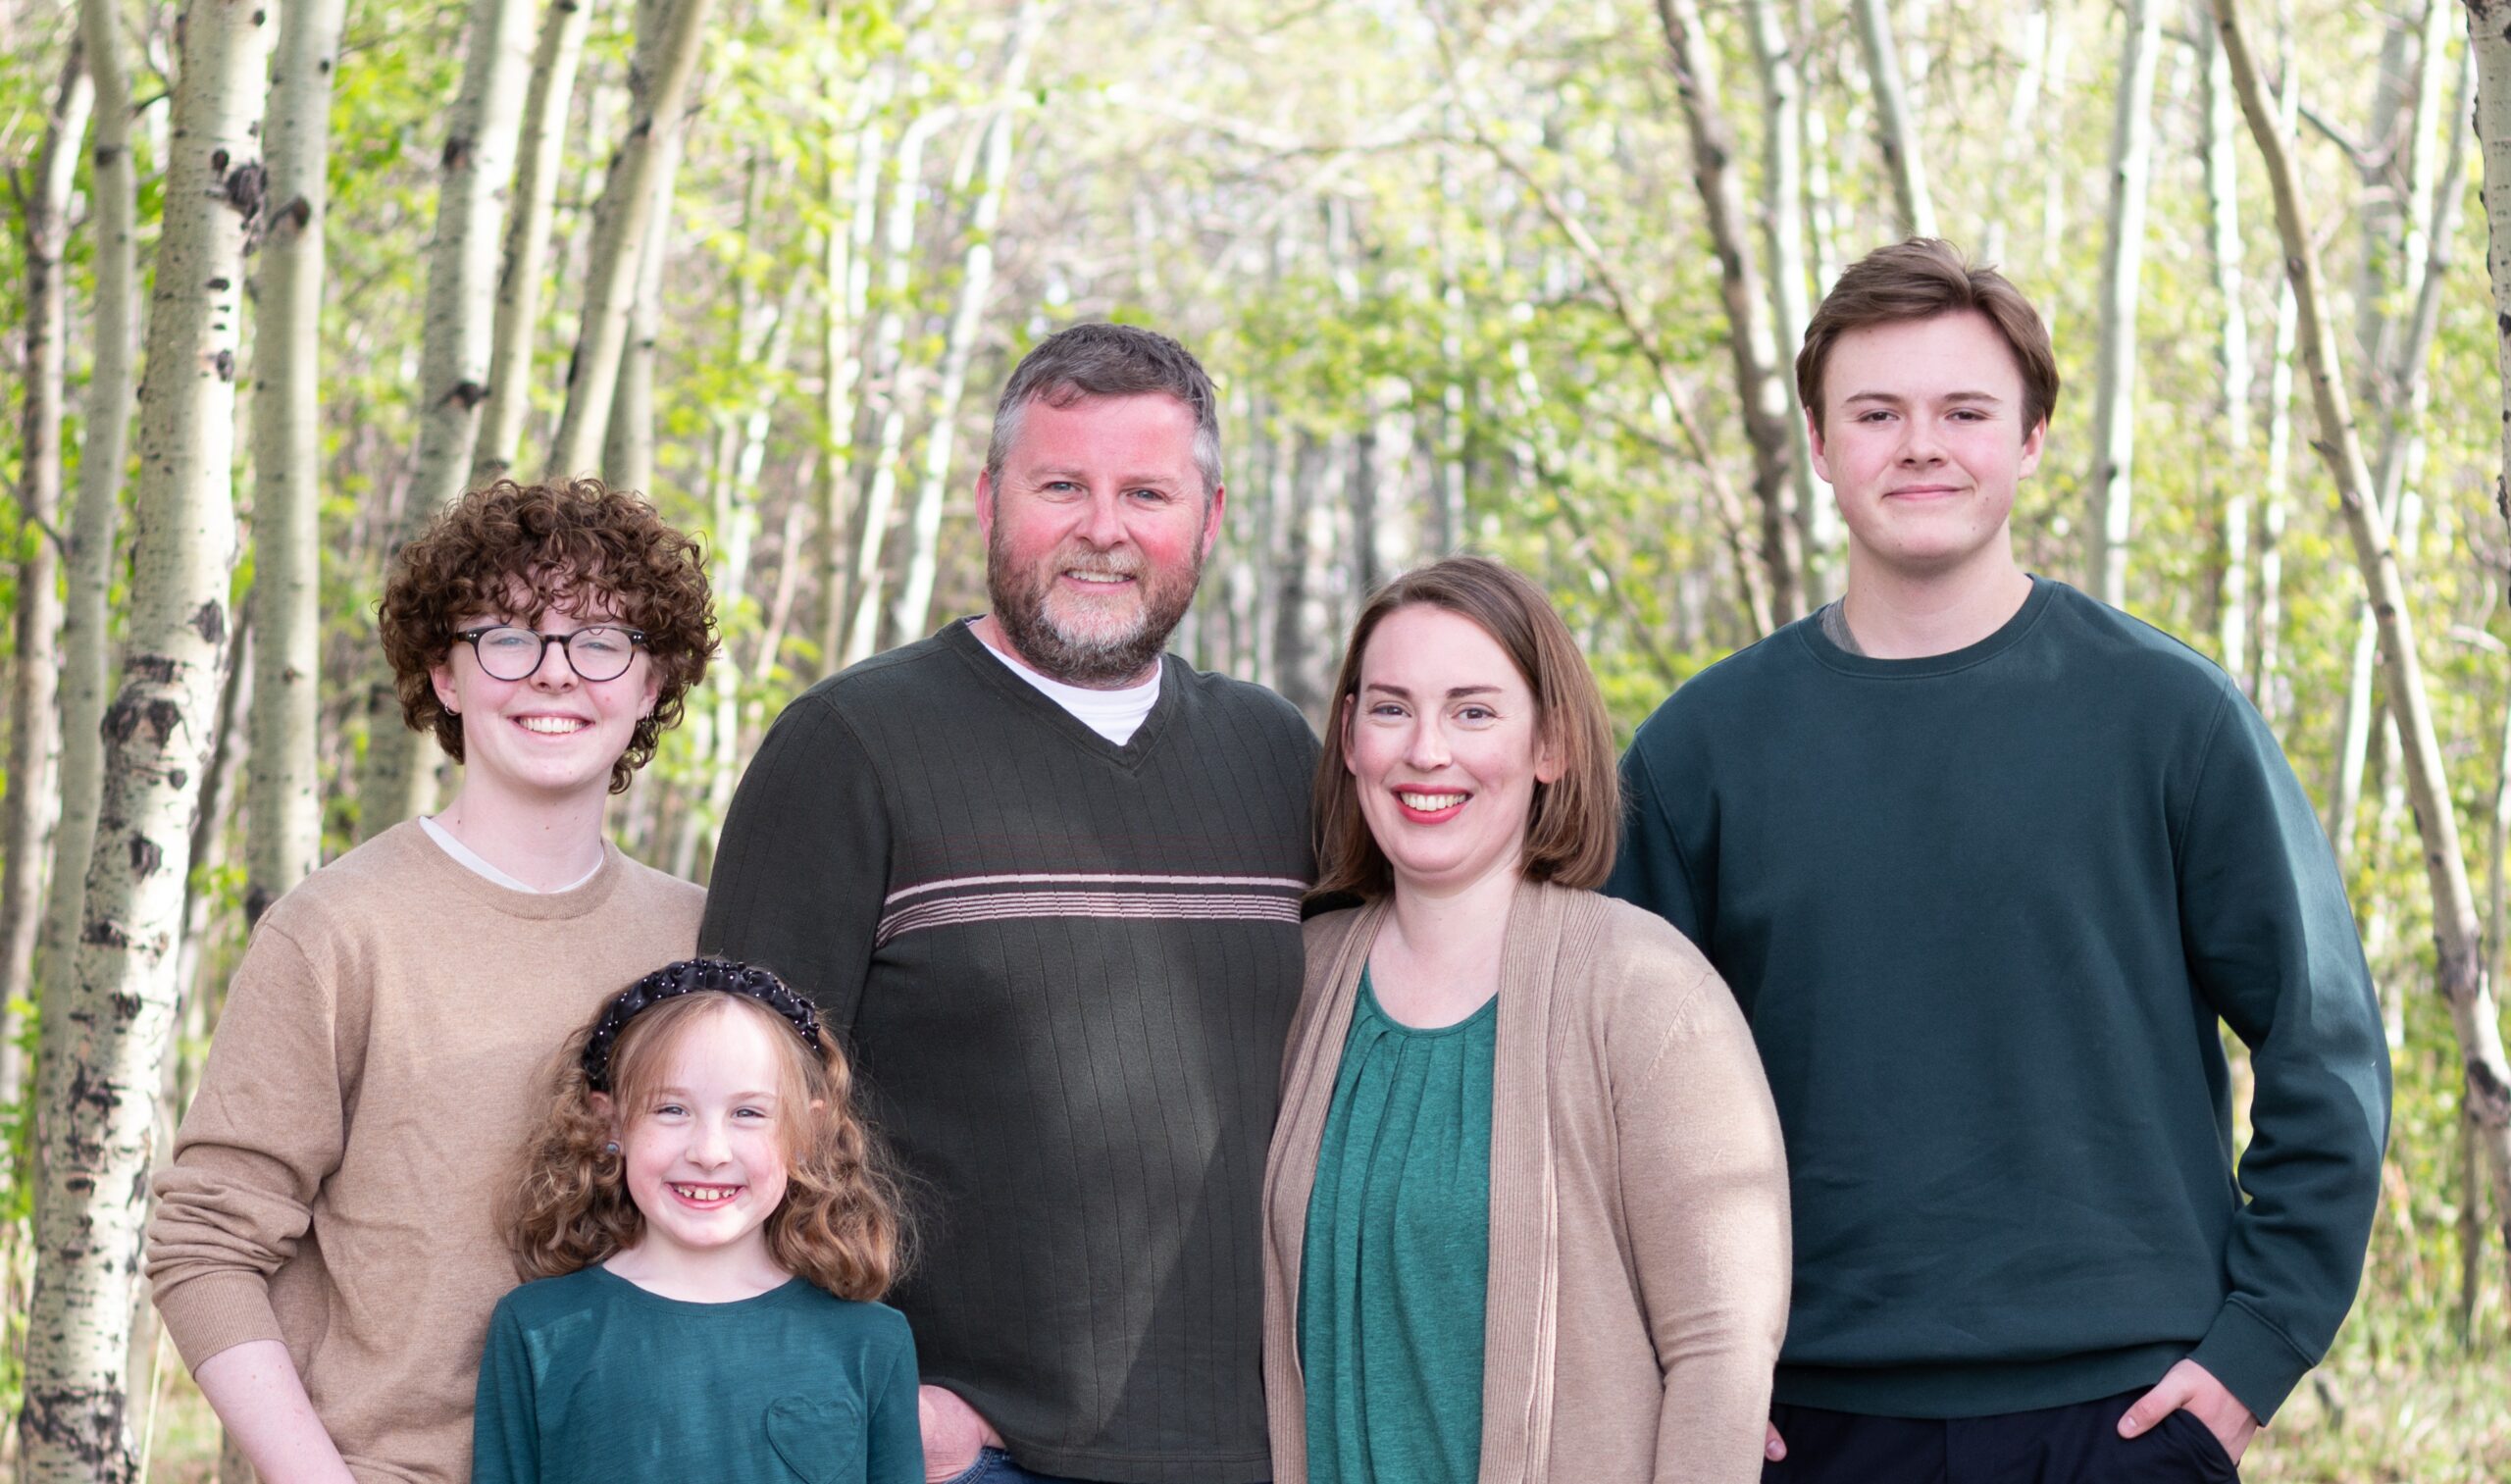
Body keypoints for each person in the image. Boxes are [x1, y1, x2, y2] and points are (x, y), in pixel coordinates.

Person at [1607, 238, 2390, 1483]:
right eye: (1877, 412)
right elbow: (1599, 1095)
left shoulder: (2167, 716)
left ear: (2029, 437)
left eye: (1963, 409)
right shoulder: (1703, 748)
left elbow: (2323, 1042)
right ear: (1819, 442)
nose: (1921, 444)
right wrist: (1674, 1362)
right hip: (1801, 1420)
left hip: (2122, 1413)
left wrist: (2259, 1346)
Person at [701, 323, 1317, 1484]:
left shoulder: (1277, 757)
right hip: (970, 1456)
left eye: (1146, 491)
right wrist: (856, 1388)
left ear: (1210, 517)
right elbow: (735, 1122)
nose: (1103, 527)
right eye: (1060, 485)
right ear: (989, 499)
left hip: (1263, 1448)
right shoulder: (851, 748)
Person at [146, 479, 718, 1483]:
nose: (553, 674)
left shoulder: (700, 939)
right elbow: (205, 1245)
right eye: (506, 635)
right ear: (445, 676)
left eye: (599, 640)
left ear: (651, 681)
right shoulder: (335, 931)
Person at [1260, 556, 1790, 1484]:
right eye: (1391, 708)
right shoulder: (1300, 982)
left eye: (1474, 711)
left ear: (1549, 745)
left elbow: (1721, 1349)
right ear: (1348, 738)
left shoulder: (1647, 992)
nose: (1427, 750)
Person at [473, 958, 919, 1482]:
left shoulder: (871, 1341)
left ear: (807, 1133)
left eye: (748, 1113)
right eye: (671, 1110)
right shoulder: (537, 1329)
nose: (709, 1152)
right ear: (608, 1122)